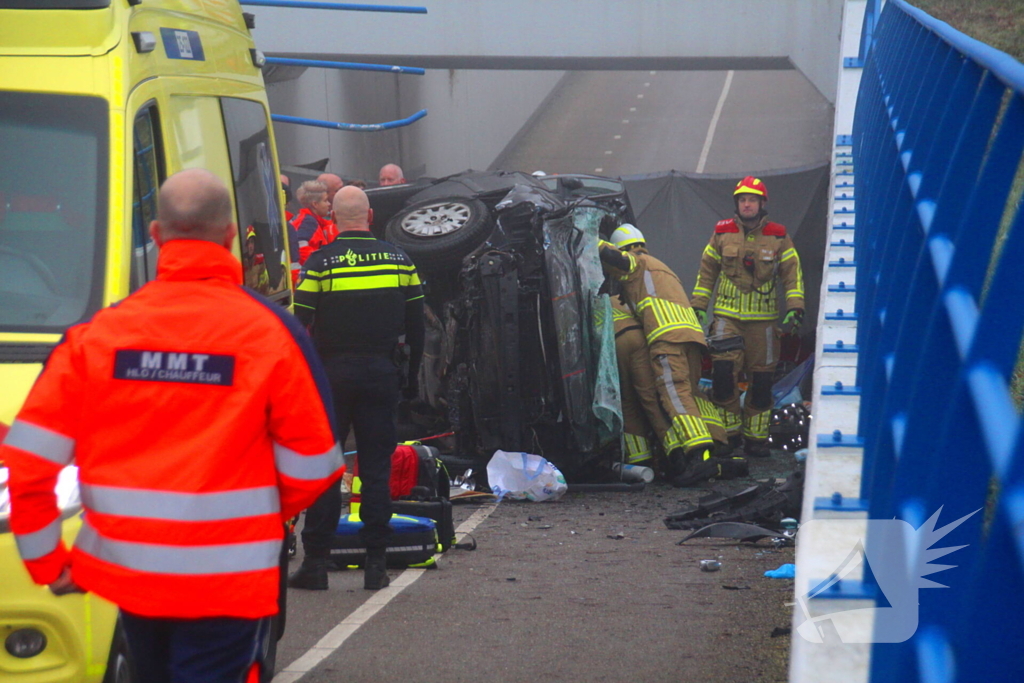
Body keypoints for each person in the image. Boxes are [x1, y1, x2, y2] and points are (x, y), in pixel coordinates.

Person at [0, 168, 344, 682]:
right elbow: (316, 464)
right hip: (229, 578)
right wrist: (255, 518)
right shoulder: (272, 334)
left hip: (132, 573)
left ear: (157, 235)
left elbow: (26, 463)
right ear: (229, 236)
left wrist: (49, 562)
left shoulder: (99, 336)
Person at [289, 186, 425, 591]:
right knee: (377, 468)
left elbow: (300, 323)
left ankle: (316, 562)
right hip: (382, 373)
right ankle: (376, 566)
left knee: (327, 468)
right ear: (369, 218)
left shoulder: (321, 263)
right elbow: (418, 327)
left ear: (333, 220)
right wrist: (412, 377)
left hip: (332, 378)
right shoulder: (400, 260)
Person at [599, 225, 728, 486]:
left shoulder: (637, 263)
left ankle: (699, 456)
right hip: (690, 337)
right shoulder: (660, 268)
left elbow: (614, 258)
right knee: (687, 393)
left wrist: (588, 238)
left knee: (675, 394)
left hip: (666, 336)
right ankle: (709, 448)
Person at [691, 176, 805, 458]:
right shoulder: (721, 233)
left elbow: (792, 274)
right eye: (742, 199)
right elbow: (707, 273)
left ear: (762, 203)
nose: (747, 204)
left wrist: (796, 306)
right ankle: (728, 437)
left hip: (763, 322)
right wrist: (698, 305)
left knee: (762, 382)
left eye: (752, 199)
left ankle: (756, 441)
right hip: (726, 319)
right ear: (737, 204)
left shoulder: (778, 236)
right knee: (722, 377)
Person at [289, 180, 337, 278]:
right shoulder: (308, 223)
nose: (329, 204)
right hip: (305, 278)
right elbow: (301, 249)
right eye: (325, 201)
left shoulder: (312, 221)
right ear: (315, 204)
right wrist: (323, 264)